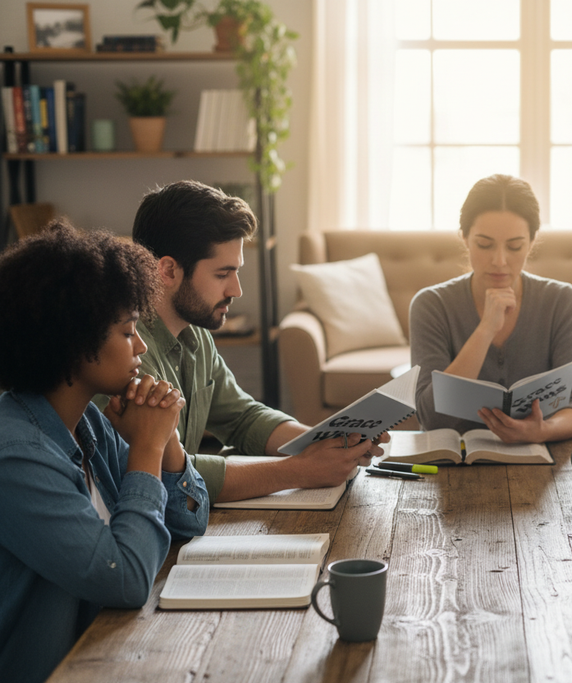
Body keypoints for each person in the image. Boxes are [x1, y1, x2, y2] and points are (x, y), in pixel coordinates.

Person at [0, 224, 209, 683]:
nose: (139, 347)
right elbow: (128, 579)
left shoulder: (87, 423)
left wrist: (164, 436)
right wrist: (148, 447)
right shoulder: (15, 457)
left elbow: (190, 519)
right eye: (127, 331)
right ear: (73, 343)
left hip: (106, 652)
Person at [119, 180, 383, 503]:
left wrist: (328, 439)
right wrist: (300, 470)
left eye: (237, 272)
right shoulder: (126, 352)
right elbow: (170, 475)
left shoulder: (196, 334)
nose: (236, 290)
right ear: (169, 271)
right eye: (222, 274)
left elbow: (242, 417)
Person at [409, 174, 572, 442]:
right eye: (484, 244)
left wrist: (542, 431)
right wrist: (485, 330)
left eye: (515, 246)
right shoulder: (431, 305)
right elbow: (431, 417)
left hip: (542, 457)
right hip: (454, 461)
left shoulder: (562, 301)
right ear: (464, 238)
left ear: (531, 242)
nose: (499, 261)